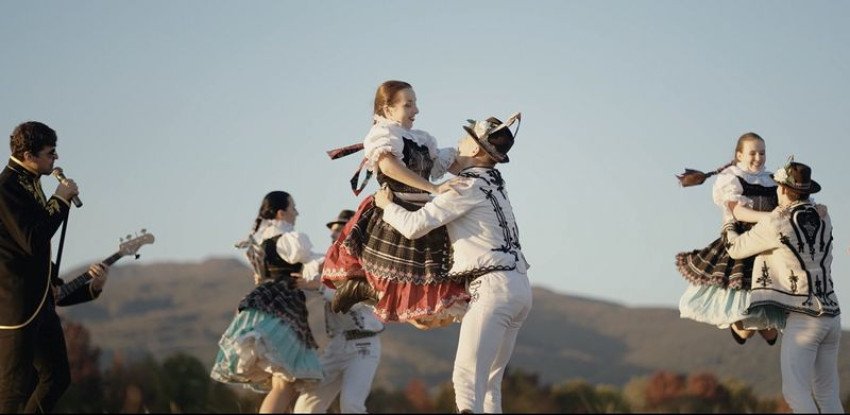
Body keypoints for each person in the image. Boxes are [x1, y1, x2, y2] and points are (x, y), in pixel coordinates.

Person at [374, 113, 530, 413]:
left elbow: (414, 226)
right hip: (520, 287)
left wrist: (386, 206)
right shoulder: (495, 181)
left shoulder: (465, 187)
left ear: (474, 151)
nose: (456, 146)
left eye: (463, 141)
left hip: (493, 288)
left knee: (467, 379)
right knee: (489, 385)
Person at [322, 80, 467, 326]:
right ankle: (363, 289)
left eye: (415, 104)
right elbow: (389, 166)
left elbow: (448, 164)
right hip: (394, 208)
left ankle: (364, 290)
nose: (416, 111)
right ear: (388, 109)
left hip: (421, 212)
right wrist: (432, 188)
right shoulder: (383, 134)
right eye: (408, 105)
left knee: (429, 313)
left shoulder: (421, 139)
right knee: (403, 288)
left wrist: (479, 150)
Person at [0, 121, 110, 413]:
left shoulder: (30, 183)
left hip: (40, 303)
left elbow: (34, 253)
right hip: (17, 307)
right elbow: (32, 240)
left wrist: (83, 286)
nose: (56, 158)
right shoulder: (7, 188)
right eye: (50, 152)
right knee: (13, 389)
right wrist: (60, 201)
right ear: (28, 155)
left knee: (57, 377)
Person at [725, 158, 842, 413]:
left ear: (783, 190)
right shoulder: (824, 217)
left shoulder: (777, 221)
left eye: (778, 186)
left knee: (795, 392)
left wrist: (728, 221)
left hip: (803, 318)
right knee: (828, 393)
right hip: (832, 315)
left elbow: (735, 249)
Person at [210, 191, 323, 413]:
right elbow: (316, 262)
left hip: (262, 303)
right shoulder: (291, 240)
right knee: (285, 383)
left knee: (284, 382)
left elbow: (260, 277)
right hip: (282, 306)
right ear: (281, 213)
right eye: (293, 208)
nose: (297, 212)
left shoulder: (258, 243)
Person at [675, 132, 784, 344]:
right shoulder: (731, 177)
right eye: (752, 153)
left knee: (771, 332)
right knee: (746, 331)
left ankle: (758, 323)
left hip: (767, 244)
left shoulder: (773, 180)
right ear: (740, 155)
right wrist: (771, 218)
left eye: (762, 153)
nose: (758, 158)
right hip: (740, 241)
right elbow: (739, 212)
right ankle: (737, 323)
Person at [293, 209, 384, 414]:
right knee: (305, 407)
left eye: (340, 229)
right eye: (333, 231)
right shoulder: (329, 264)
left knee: (351, 406)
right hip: (337, 345)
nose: (334, 234)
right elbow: (308, 266)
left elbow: (352, 299)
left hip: (364, 345)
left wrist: (317, 285)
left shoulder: (368, 263)